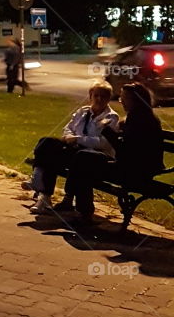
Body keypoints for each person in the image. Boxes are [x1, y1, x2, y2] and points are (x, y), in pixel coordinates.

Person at [63, 82, 165, 232]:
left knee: (84, 159)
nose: (121, 101)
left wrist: (107, 130)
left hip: (135, 172)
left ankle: (80, 208)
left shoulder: (142, 121)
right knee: (84, 159)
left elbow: (126, 151)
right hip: (128, 166)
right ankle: (81, 210)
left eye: (124, 98)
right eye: (121, 98)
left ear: (135, 100)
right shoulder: (135, 117)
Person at [23, 81, 119, 214]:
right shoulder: (83, 111)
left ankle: (41, 187)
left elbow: (103, 143)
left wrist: (78, 139)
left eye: (103, 96)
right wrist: (69, 137)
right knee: (47, 143)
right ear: (90, 96)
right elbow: (68, 128)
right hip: (75, 150)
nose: (99, 99)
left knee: (60, 156)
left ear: (108, 98)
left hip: (92, 156)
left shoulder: (111, 117)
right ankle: (43, 193)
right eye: (96, 95)